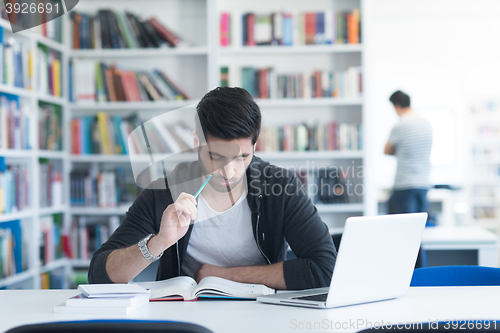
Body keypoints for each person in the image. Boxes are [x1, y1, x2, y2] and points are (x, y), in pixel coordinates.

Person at [88, 87, 337, 290]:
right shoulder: (164, 192)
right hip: (186, 319)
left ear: (255, 145)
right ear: (196, 142)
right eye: (216, 156)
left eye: (241, 157)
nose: (229, 173)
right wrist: (158, 243)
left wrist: (221, 276)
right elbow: (100, 276)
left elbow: (325, 268)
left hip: (263, 315)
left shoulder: (280, 187)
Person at [384, 90, 433, 215]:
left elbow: (387, 150)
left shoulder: (400, 125)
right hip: (423, 183)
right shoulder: (426, 124)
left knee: (402, 228)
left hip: (404, 184)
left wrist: (400, 151)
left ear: (397, 106)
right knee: (419, 228)